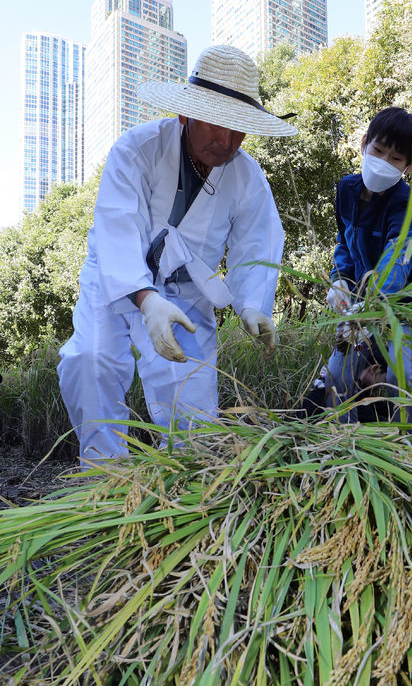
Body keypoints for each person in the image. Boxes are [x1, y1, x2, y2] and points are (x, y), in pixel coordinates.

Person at [58, 45, 296, 464]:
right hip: (116, 279)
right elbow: (117, 228)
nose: (227, 142)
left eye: (238, 129)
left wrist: (253, 306)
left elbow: (257, 243)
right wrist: (147, 302)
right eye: (216, 125)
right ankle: (104, 480)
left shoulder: (247, 175)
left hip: (186, 291)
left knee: (189, 402)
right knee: (90, 361)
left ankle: (188, 488)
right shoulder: (136, 150)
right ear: (186, 113)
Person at [325, 106, 412, 423]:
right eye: (379, 150)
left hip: (407, 310)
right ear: (364, 144)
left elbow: (397, 257)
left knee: (402, 380)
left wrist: (373, 304)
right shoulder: (346, 190)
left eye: (396, 159)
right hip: (359, 306)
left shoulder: (405, 202)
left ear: (408, 167)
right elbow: (345, 243)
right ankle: (344, 446)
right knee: (337, 376)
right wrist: (339, 280)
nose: (384, 162)